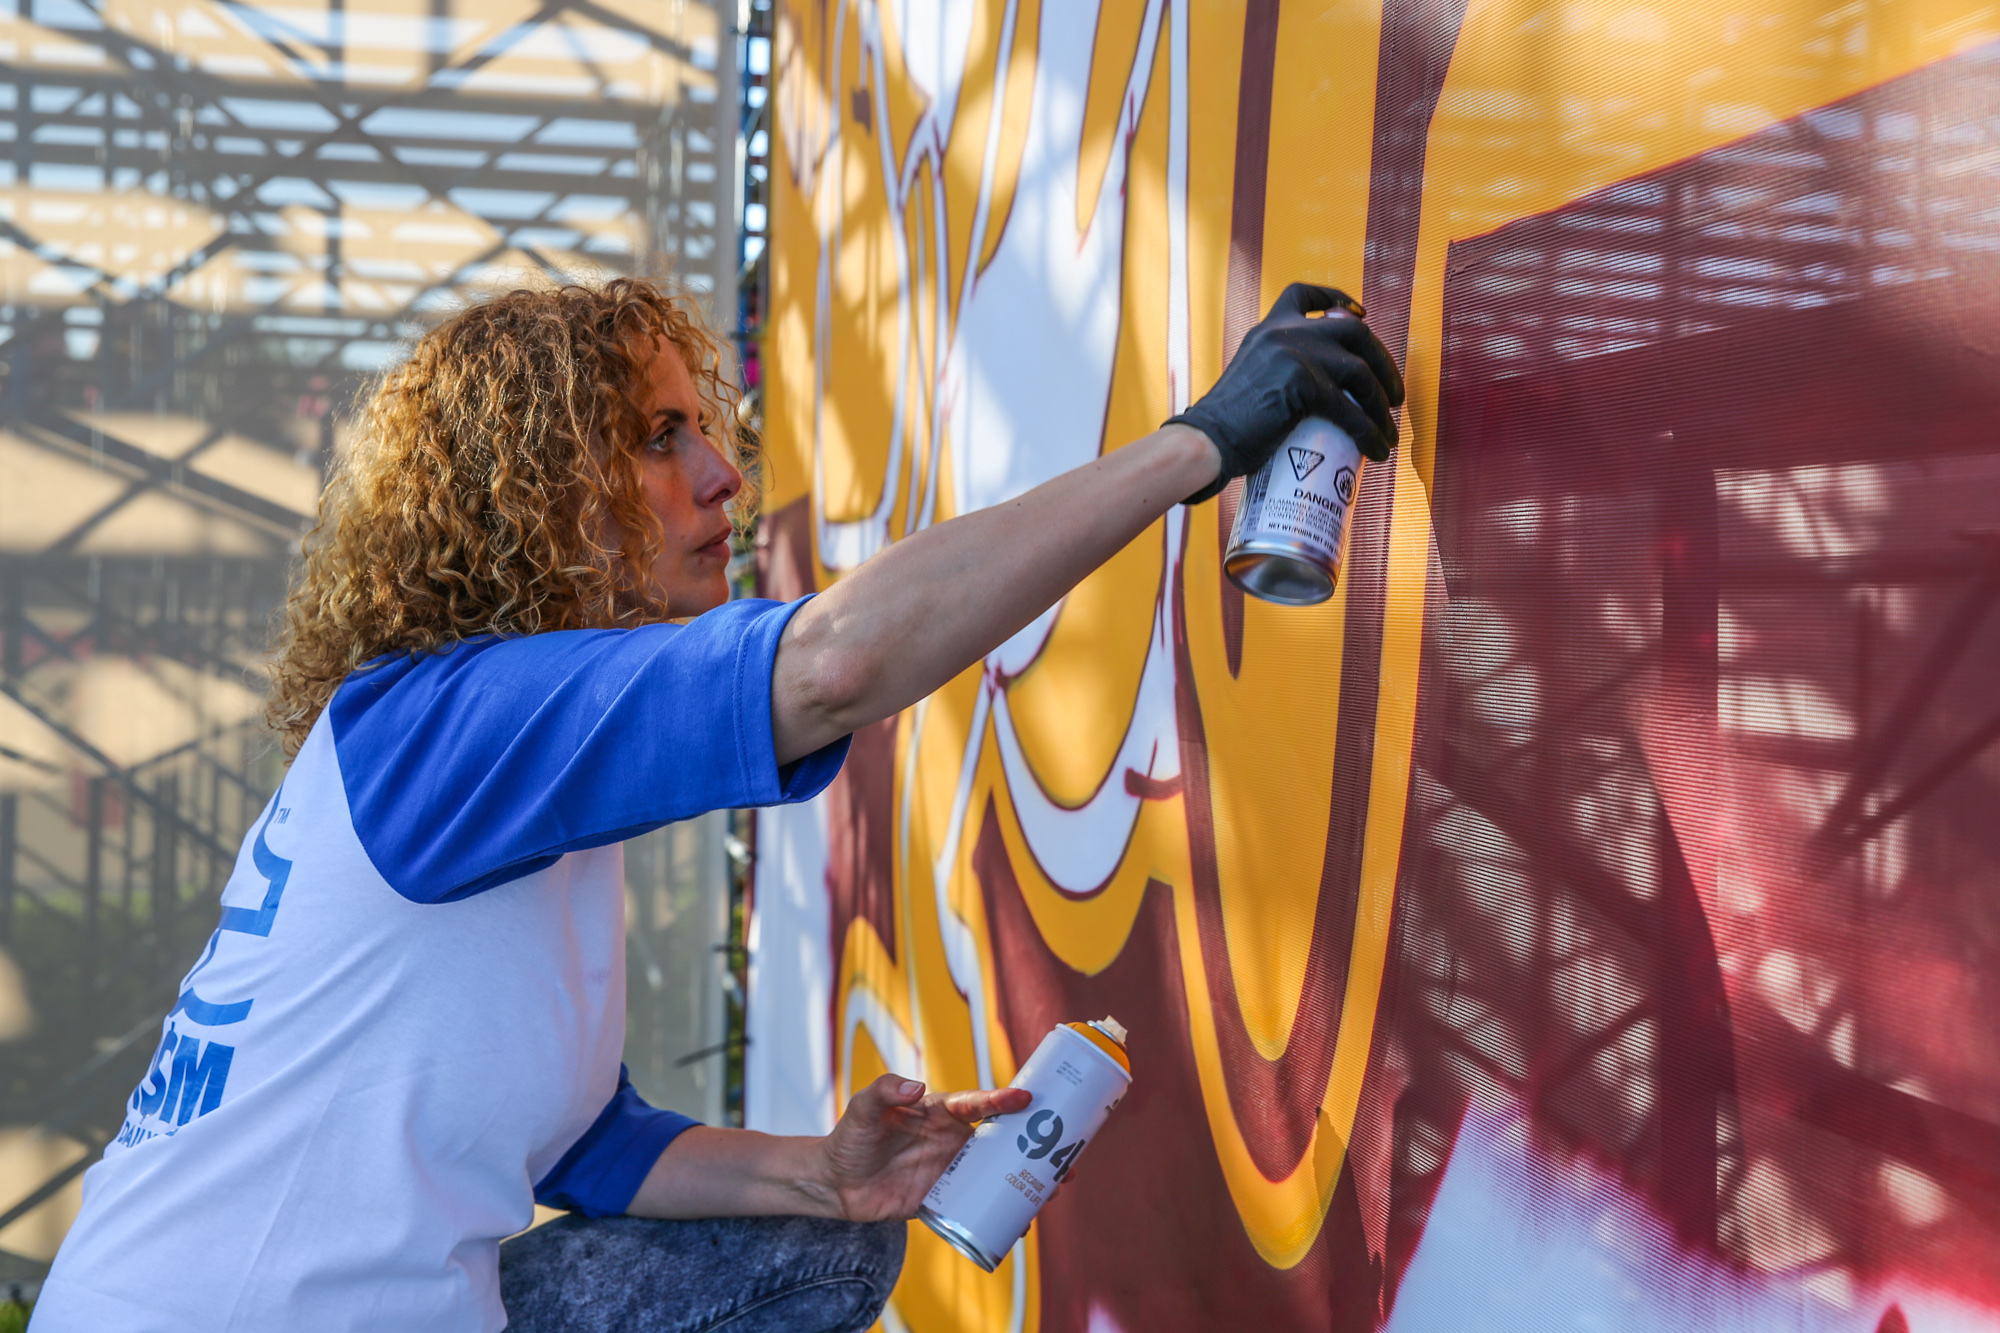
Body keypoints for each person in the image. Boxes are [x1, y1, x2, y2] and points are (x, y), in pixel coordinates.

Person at [30, 277, 1401, 1333]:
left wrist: (827, 1173)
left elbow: (583, 1140)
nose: (721, 474)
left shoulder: (486, 757)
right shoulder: (441, 723)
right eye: (657, 437)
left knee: (830, 1240)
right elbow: (834, 662)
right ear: (530, 497)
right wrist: (1198, 448)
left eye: (708, 429)